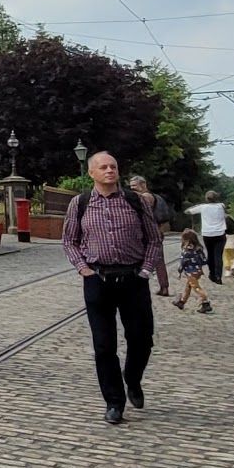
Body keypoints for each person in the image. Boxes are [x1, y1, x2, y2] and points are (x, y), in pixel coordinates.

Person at [61, 151, 161, 425]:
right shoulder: (80, 203)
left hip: (133, 279)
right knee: (104, 345)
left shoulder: (135, 201)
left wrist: (146, 270)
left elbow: (154, 239)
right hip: (98, 279)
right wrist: (83, 268)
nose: (109, 170)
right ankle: (114, 402)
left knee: (142, 339)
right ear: (91, 173)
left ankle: (133, 378)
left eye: (113, 166)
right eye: (103, 167)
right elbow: (69, 240)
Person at [128, 175, 172, 296]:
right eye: (131, 187)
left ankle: (141, 286)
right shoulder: (158, 197)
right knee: (159, 260)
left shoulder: (145, 197)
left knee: (142, 260)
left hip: (149, 232)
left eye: (134, 186)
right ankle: (164, 287)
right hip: (157, 230)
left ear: (143, 184)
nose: (132, 189)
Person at [185, 190, 228, 285]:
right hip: (220, 233)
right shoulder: (221, 206)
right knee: (218, 255)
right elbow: (225, 211)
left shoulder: (202, 207)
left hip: (207, 234)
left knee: (210, 254)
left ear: (206, 199)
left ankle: (212, 274)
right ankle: (218, 276)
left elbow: (187, 211)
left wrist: (198, 206)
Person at [171, 229, 212, 314]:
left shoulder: (186, 250)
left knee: (196, 288)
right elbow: (204, 260)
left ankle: (205, 302)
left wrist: (180, 270)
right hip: (198, 271)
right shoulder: (198, 248)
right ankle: (182, 302)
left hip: (190, 272)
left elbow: (183, 261)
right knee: (188, 286)